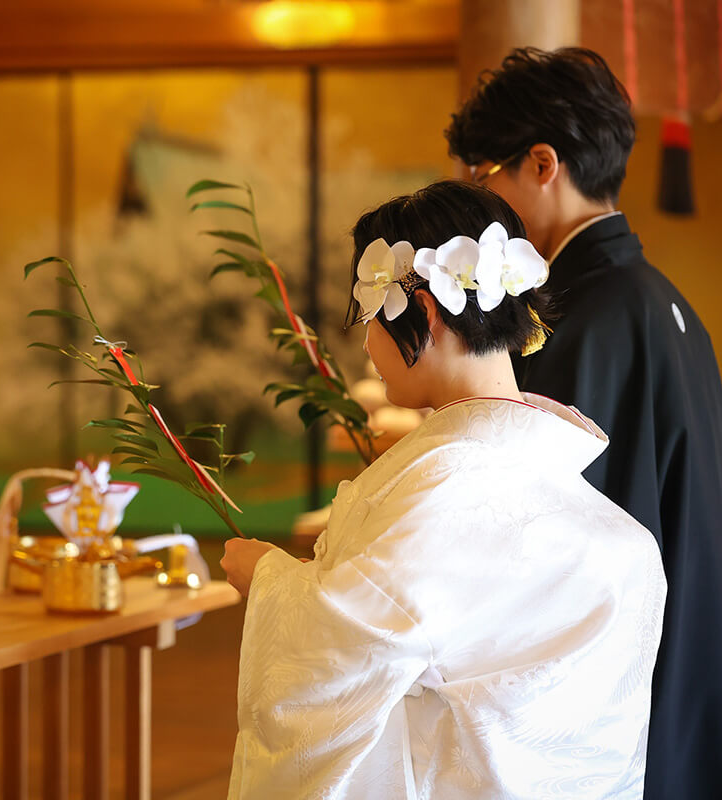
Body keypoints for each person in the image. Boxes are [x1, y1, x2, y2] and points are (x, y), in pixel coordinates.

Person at [221, 180, 667, 799]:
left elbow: (345, 643)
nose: (370, 345)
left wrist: (267, 578)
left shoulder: (450, 487)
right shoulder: (583, 508)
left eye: (374, 318)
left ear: (423, 314)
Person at [446, 47, 722, 799]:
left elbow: (543, 540)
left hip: (625, 693)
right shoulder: (660, 301)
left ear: (543, 163)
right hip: (692, 660)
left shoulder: (581, 320)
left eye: (485, 177)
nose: (484, 205)